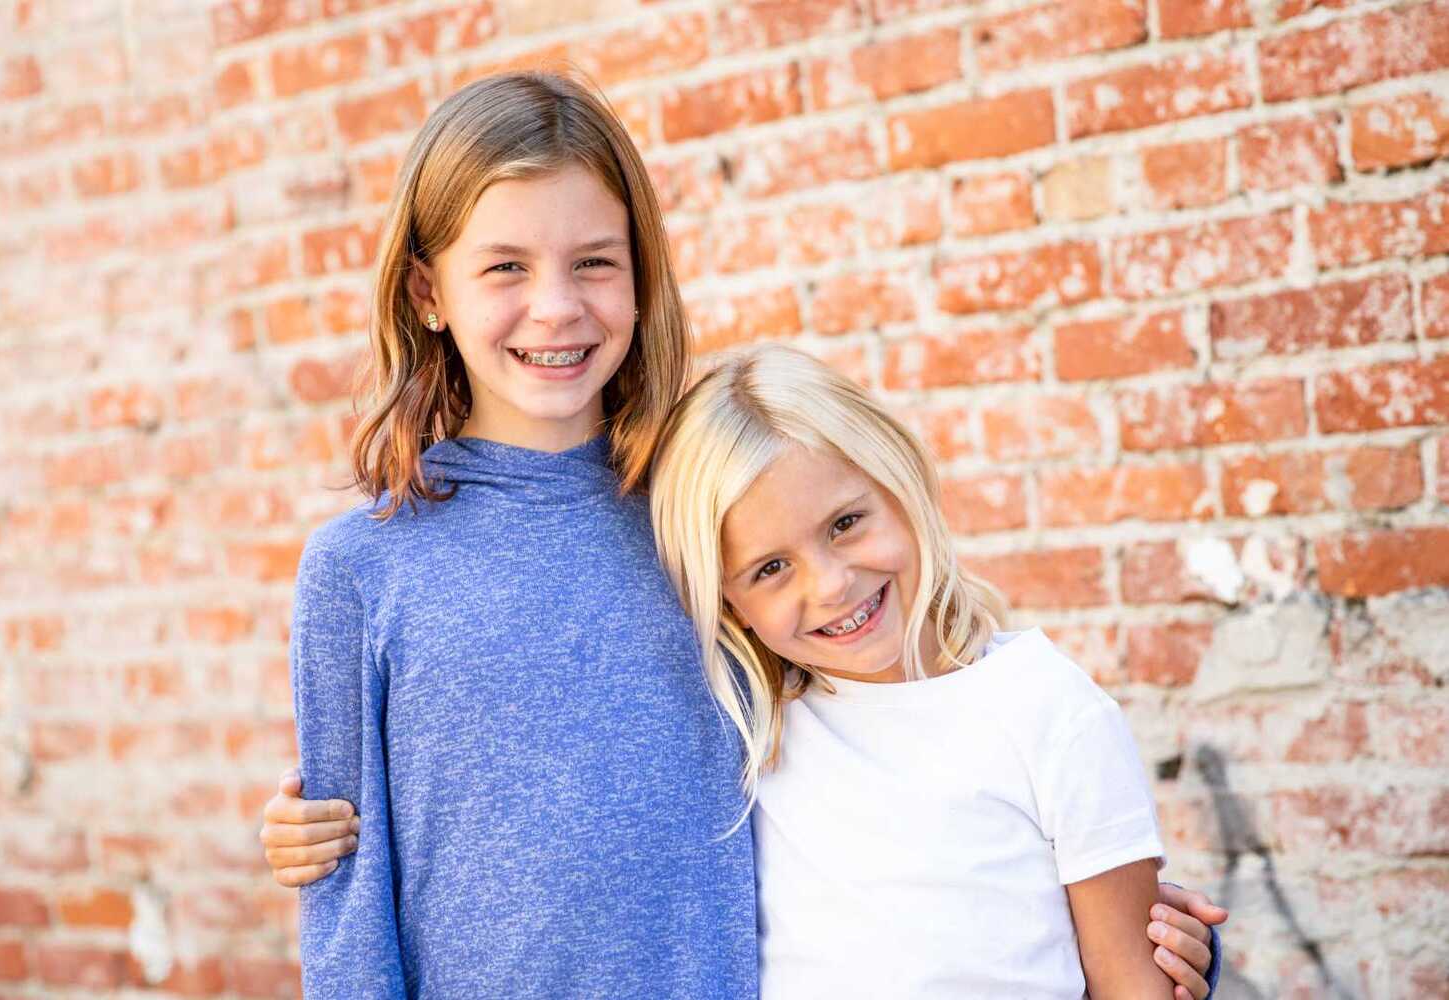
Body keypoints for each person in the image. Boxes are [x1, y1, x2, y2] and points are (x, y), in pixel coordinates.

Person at [266, 68, 1227, 999]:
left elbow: (880, 751)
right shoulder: (362, 570)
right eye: (505, 267)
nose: (556, 306)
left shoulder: (710, 515)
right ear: (430, 291)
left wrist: (1114, 930)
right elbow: (346, 907)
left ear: (642, 275)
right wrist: (298, 835)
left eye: (595, 261)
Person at [648, 344, 1204, 997]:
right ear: (730, 606)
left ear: (900, 480)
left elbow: (1133, 981)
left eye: (846, 523)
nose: (830, 584)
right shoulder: (750, 734)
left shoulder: (1048, 707)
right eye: (771, 569)